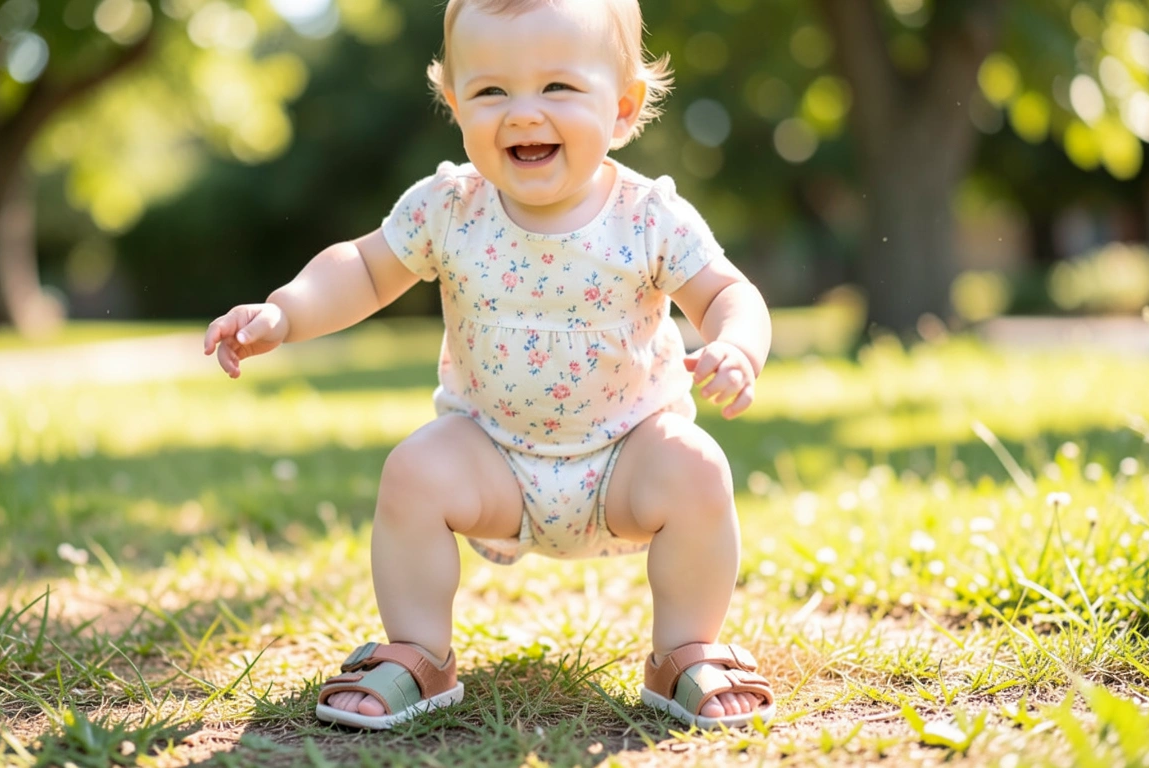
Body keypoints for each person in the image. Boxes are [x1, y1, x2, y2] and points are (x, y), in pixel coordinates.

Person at [204, 0, 776, 731]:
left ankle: (685, 650)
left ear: (624, 108)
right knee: (413, 471)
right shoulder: (449, 208)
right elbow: (363, 269)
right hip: (492, 459)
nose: (523, 112)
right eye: (491, 90)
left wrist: (736, 344)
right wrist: (285, 312)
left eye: (558, 87)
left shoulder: (648, 217)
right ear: (455, 106)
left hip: (628, 459)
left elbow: (727, 293)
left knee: (697, 467)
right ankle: (418, 651)